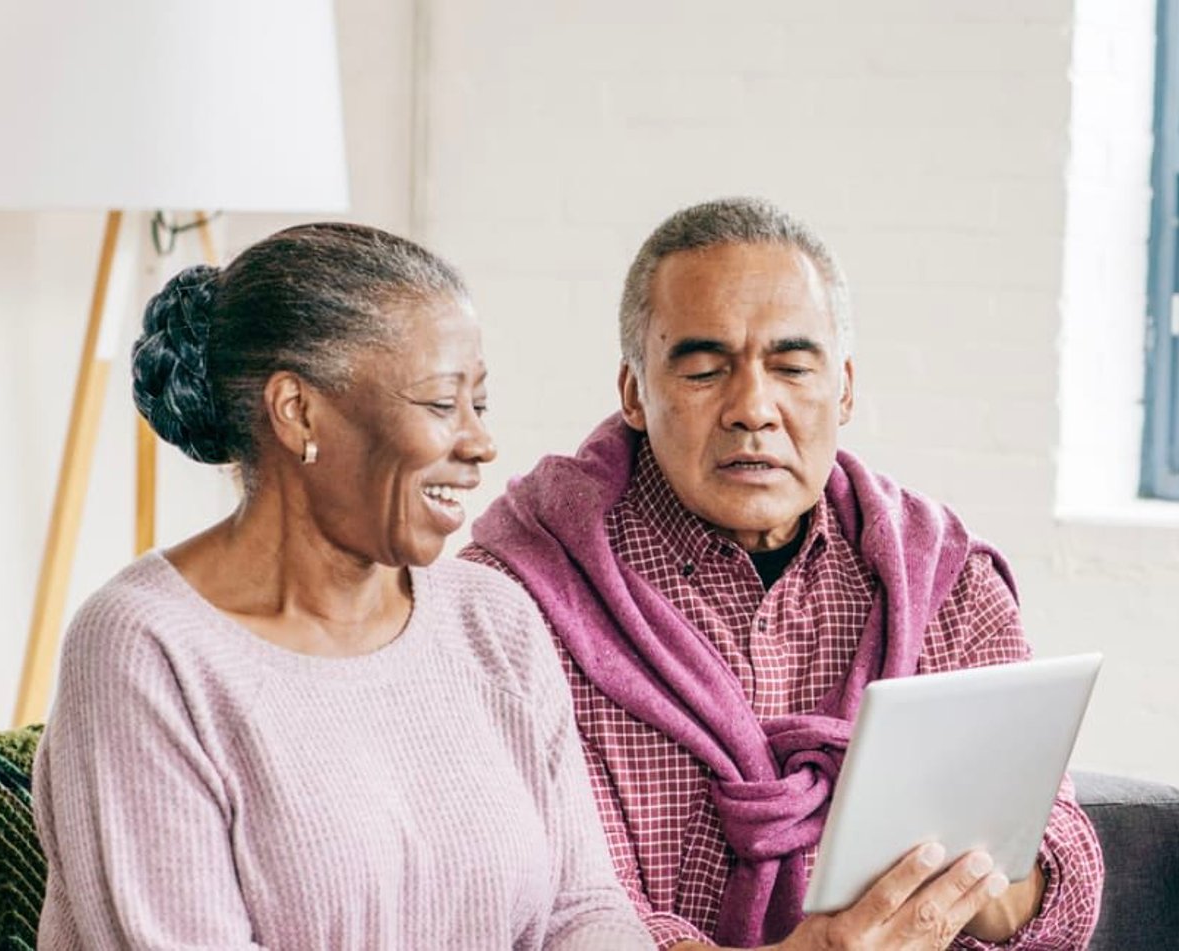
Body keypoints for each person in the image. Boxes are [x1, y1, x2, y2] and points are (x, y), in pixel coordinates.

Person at [464, 197, 1104, 951]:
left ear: (845, 388)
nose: (753, 408)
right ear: (634, 391)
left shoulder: (948, 582)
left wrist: (968, 877)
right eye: (704, 369)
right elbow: (548, 905)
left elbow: (1060, 874)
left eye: (793, 367)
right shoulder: (515, 598)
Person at [33, 223, 652, 949]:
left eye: (478, 405)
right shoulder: (143, 649)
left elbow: (585, 905)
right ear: (298, 411)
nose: (481, 443)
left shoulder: (495, 618)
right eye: (440, 403)